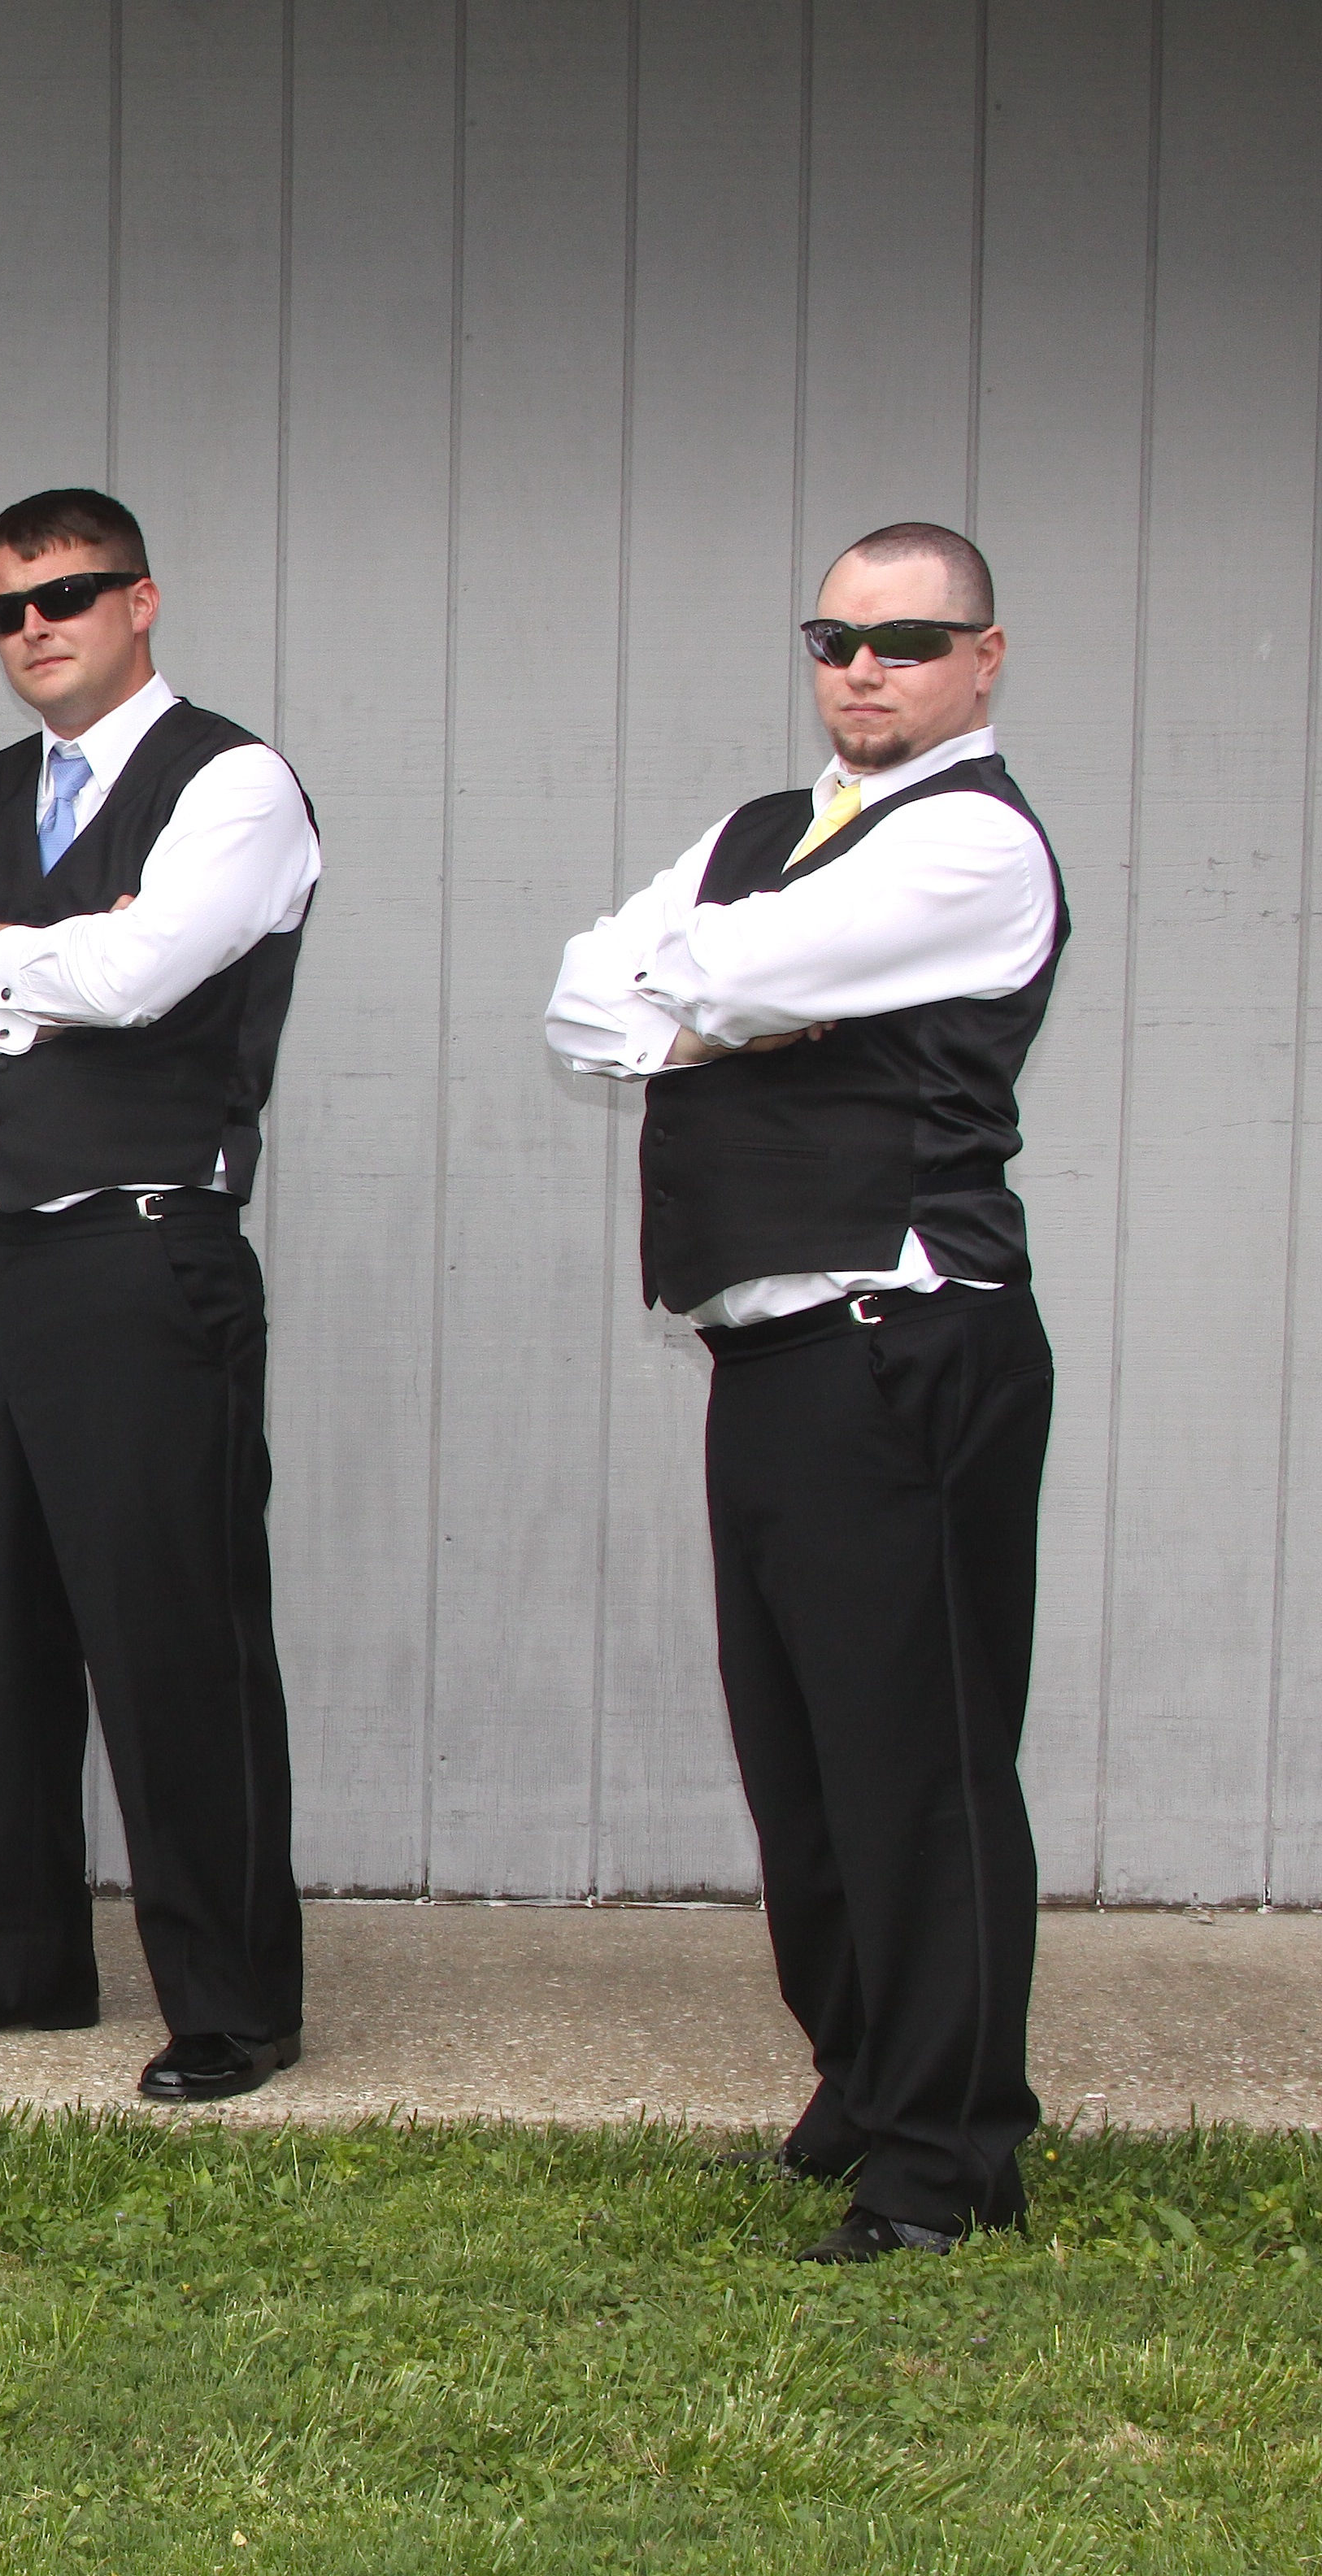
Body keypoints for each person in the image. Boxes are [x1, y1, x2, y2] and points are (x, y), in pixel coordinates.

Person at [546, 523, 1061, 2262]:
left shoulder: (976, 841)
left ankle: (950, 2155)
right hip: (768, 1358)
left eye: (906, 641)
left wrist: (724, 995)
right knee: (803, 1764)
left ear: (983, 658)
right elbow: (584, 998)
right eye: (836, 639)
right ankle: (864, 2075)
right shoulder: (761, 833)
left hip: (904, 1343)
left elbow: (719, 970)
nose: (864, 669)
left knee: (916, 1765)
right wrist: (723, 1007)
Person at [0, 487, 320, 2102]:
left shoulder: (236, 784)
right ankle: (13, 1962)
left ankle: (232, 2004)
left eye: (68, 595)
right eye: (7, 608)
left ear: (142, 600)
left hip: (141, 1251)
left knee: (172, 1631)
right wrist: (45, 962)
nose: (36, 627)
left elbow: (147, 973)